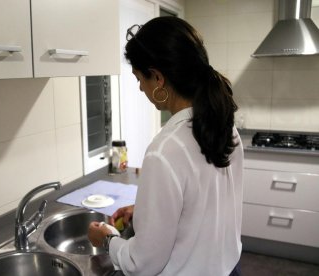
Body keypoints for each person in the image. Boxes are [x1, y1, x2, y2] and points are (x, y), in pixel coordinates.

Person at [88, 16, 243, 276]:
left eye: (140, 78)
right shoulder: (226, 128)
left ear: (158, 78)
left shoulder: (164, 151)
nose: (139, 88)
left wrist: (106, 239)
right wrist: (148, 212)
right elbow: (206, 205)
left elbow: (142, 264)